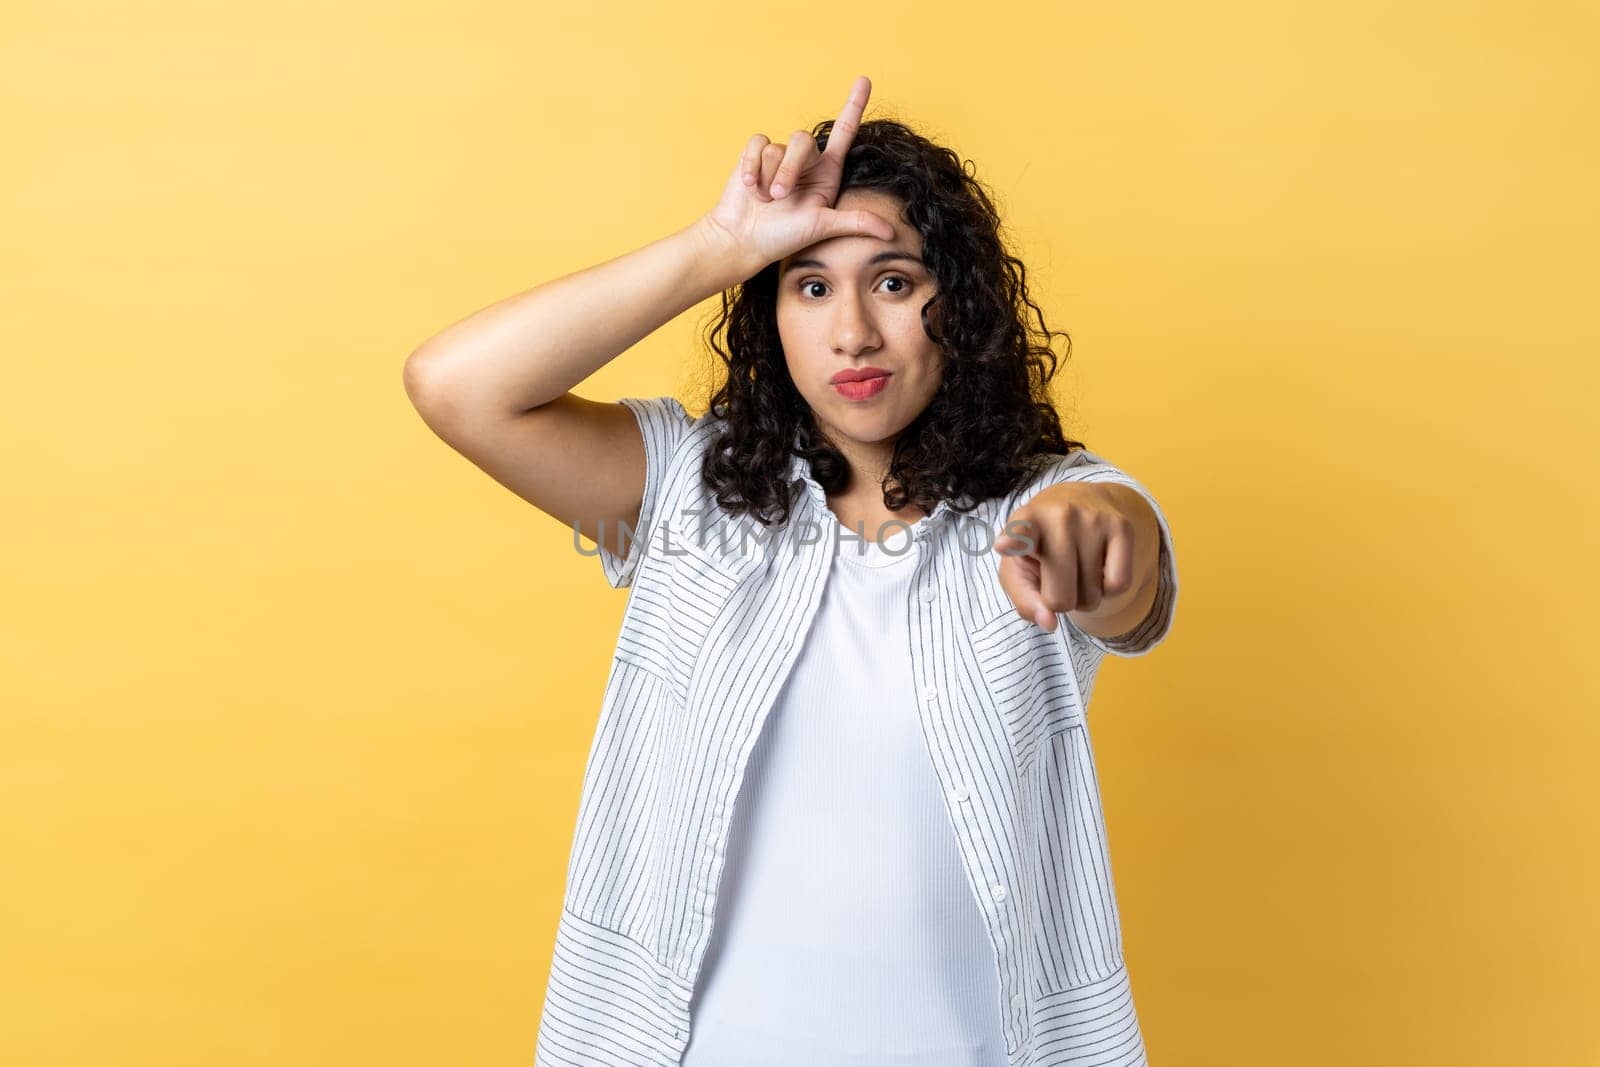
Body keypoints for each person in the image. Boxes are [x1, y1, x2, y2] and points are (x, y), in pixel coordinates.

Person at [404, 75, 1177, 1067]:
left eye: (893, 281)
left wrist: (1094, 541)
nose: (851, 331)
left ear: (960, 303)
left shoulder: (1037, 504)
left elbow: (1119, 554)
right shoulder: (686, 490)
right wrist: (720, 248)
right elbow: (456, 385)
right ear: (770, 314)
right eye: (809, 286)